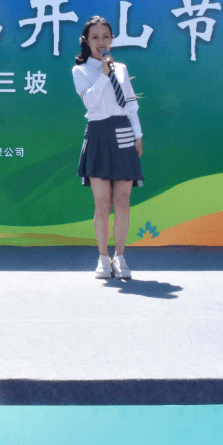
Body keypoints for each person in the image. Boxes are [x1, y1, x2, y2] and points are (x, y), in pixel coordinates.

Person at [72, 16, 144, 279]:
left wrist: (138, 135)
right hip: (98, 135)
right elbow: (90, 102)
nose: (101, 42)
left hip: (124, 133)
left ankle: (120, 257)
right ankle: (103, 258)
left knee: (122, 200)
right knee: (102, 202)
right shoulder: (80, 71)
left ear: (112, 39)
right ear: (86, 41)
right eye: (95, 37)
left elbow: (131, 105)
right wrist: (104, 74)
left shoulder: (121, 68)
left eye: (105, 36)